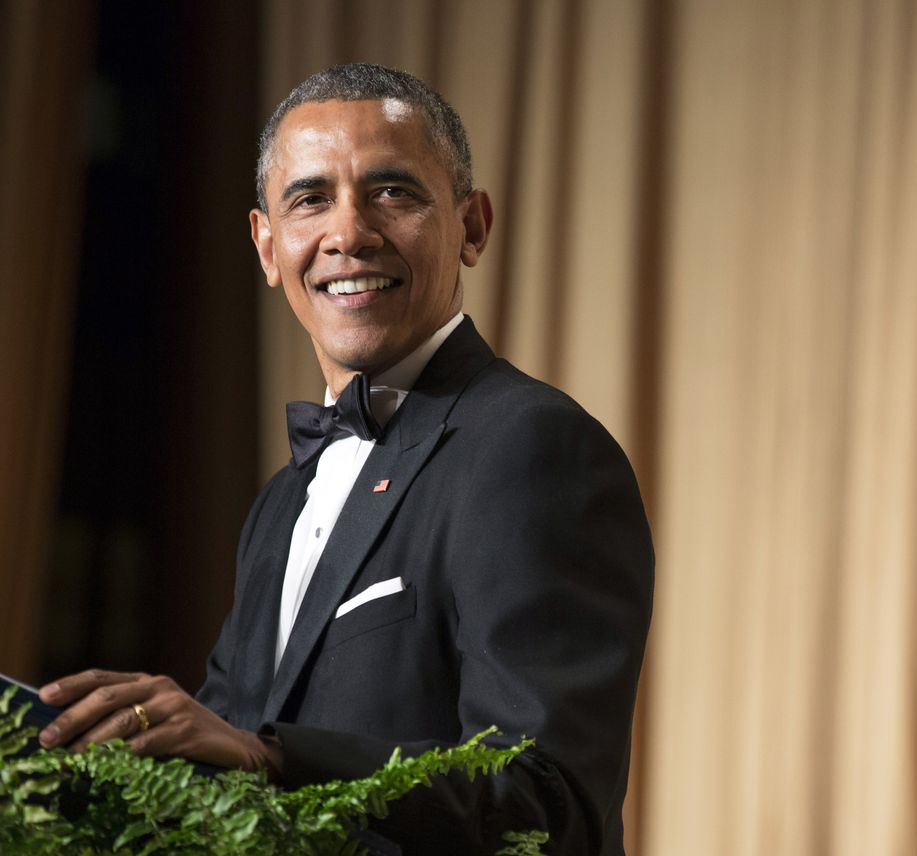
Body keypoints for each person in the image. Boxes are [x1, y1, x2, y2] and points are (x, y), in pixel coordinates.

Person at [35, 62, 654, 855]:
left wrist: (273, 759)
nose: (348, 232)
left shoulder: (532, 448)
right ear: (266, 245)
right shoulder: (279, 505)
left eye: (393, 192)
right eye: (310, 198)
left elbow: (551, 805)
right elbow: (218, 779)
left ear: (472, 226)